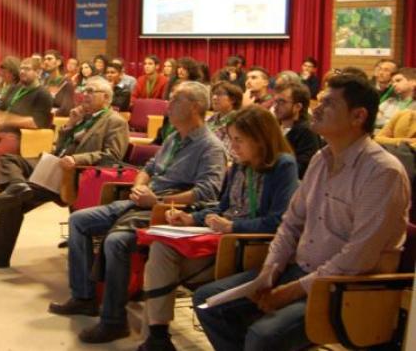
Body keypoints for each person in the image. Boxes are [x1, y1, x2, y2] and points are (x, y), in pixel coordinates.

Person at [193, 74, 410, 351]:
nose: (315, 108)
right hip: (299, 270)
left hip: (344, 288)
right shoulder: (321, 159)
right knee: (209, 302)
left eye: (328, 104)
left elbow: (359, 256)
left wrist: (293, 290)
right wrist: (269, 270)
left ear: (358, 116)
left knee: (263, 336)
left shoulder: (382, 172)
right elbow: (291, 223)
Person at [49, 82, 227, 343]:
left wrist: (159, 199)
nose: (169, 104)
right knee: (79, 220)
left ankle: (113, 321)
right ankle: (84, 296)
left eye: (176, 100)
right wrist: (140, 185)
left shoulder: (210, 147)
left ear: (196, 107)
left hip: (170, 211)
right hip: (141, 201)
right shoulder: (174, 137)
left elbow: (207, 192)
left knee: (116, 241)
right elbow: (149, 166)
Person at [141, 106, 298, 351]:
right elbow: (222, 207)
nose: (232, 147)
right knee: (161, 248)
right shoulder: (238, 165)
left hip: (250, 247)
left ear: (260, 140)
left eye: (239, 140)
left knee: (162, 267)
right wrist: (192, 219)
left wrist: (234, 226)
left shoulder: (282, 165)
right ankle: (157, 335)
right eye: (231, 139)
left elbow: (279, 220)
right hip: (222, 240)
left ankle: (154, 338)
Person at [0, 77, 128, 269]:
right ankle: (17, 186)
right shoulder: (81, 116)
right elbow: (60, 147)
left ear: (107, 97)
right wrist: (69, 126)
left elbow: (112, 156)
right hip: (54, 164)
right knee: (9, 159)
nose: (86, 94)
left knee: (13, 202)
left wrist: (77, 160)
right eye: (85, 90)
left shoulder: (115, 122)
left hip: (75, 174)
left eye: (92, 91)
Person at [0, 57, 53, 180]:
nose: (22, 72)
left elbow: (35, 122)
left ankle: (8, 188)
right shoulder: (14, 88)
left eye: (27, 69)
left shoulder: (43, 94)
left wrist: (7, 120)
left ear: (38, 72)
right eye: (21, 68)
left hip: (21, 136)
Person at [272, 82, 321, 177]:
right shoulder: (275, 126)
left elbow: (302, 169)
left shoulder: (306, 131)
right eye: (275, 101)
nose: (276, 106)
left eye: (282, 102)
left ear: (297, 107)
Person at [207, 81, 243, 154]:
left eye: (219, 94)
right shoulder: (210, 119)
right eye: (213, 94)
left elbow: (231, 152)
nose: (214, 97)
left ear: (233, 99)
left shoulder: (238, 120)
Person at [42, 49, 74, 117]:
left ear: (58, 62)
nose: (46, 62)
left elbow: (66, 109)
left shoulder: (67, 83)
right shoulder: (44, 82)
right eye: (45, 59)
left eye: (49, 59)